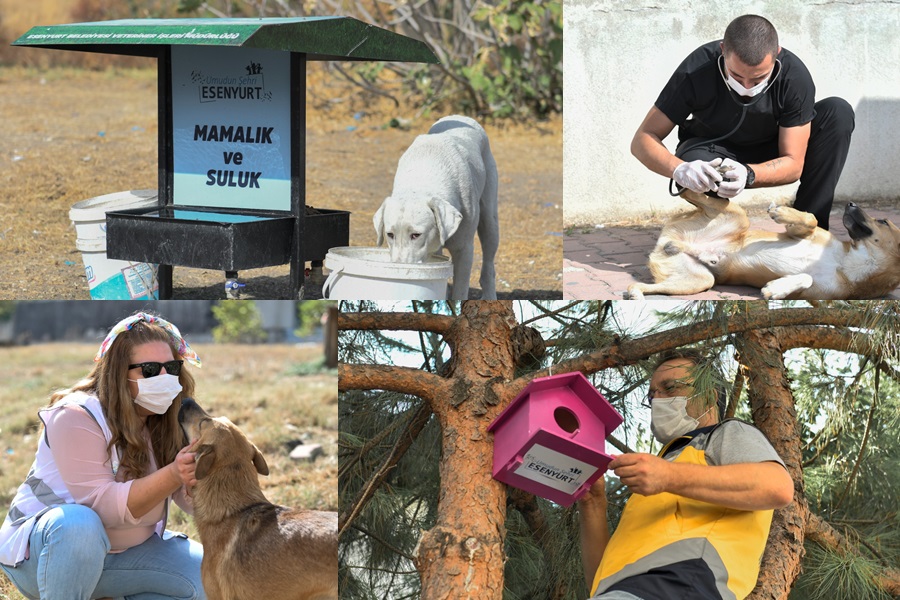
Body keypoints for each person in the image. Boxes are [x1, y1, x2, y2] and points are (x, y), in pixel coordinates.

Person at [0, 312, 206, 600]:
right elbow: (103, 506)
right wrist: (173, 473)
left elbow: (192, 501)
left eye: (171, 367)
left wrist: (209, 477)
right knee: (78, 525)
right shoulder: (76, 415)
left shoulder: (167, 417)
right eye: (148, 370)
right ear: (119, 373)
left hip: (128, 554)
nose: (164, 378)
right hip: (47, 557)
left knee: (211, 581)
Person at [579, 349, 794, 600]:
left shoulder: (724, 434)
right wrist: (592, 503)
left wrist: (668, 476)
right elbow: (603, 580)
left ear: (709, 395)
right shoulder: (658, 477)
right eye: (652, 395)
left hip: (679, 586)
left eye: (670, 388)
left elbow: (777, 486)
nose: (657, 400)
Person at [631, 14, 854, 230]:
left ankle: (809, 231)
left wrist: (748, 173)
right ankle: (716, 230)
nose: (747, 87)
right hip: (711, 153)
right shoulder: (696, 69)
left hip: (770, 147)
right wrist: (679, 169)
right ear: (722, 51)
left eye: (758, 78)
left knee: (838, 112)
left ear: (777, 54)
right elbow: (643, 138)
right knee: (696, 162)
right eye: (737, 76)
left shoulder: (794, 76)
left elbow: (793, 163)